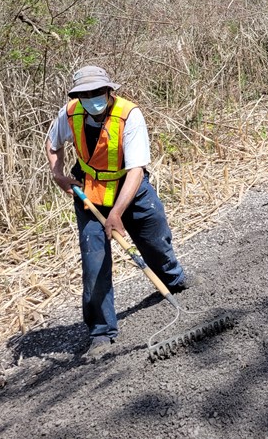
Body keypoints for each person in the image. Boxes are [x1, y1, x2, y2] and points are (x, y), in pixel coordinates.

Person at [45, 65, 197, 359]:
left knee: (154, 236)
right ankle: (101, 331)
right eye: (85, 94)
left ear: (109, 91)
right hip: (90, 191)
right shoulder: (70, 113)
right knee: (94, 262)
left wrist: (117, 214)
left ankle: (173, 279)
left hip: (130, 186)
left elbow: (136, 170)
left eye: (97, 92)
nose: (92, 98)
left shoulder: (130, 115)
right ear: (78, 95)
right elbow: (52, 145)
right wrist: (58, 173)